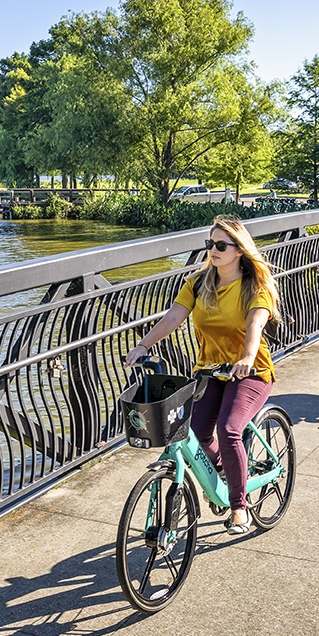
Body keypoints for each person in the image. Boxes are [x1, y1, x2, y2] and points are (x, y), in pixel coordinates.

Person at [123, 214, 279, 536]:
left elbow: (255, 325)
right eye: (210, 244)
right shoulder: (198, 283)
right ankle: (225, 470)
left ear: (239, 250)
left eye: (221, 245)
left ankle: (239, 508)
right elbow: (173, 318)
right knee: (194, 432)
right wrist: (142, 346)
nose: (214, 250)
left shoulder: (254, 286)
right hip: (210, 371)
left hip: (251, 372)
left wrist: (248, 357)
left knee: (229, 428)